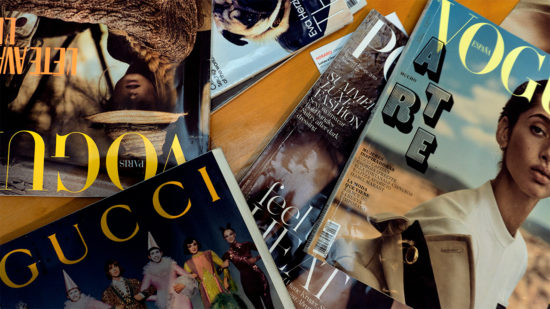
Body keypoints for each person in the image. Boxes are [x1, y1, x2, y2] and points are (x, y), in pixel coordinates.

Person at [221, 225, 274, 309]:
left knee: (269, 306)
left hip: (259, 278)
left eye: (231, 234)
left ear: (234, 234)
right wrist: (224, 271)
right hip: (247, 283)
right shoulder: (227, 254)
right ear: (225, 239)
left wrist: (256, 258)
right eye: (226, 236)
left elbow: (265, 249)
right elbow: (220, 269)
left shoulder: (247, 244)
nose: (229, 237)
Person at [140, 232, 196, 309]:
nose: (155, 255)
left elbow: (189, 276)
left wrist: (184, 284)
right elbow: (142, 294)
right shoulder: (149, 274)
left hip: (182, 298)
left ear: (161, 253)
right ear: (149, 257)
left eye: (157, 252)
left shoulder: (171, 265)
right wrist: (159, 297)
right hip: (169, 303)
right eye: (152, 253)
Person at [183, 238, 231, 308]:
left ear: (197, 244)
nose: (193, 247)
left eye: (194, 244)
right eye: (189, 246)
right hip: (205, 291)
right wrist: (191, 277)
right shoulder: (187, 264)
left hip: (218, 285)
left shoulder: (209, 253)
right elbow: (188, 283)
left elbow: (224, 265)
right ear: (187, 249)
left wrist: (225, 280)